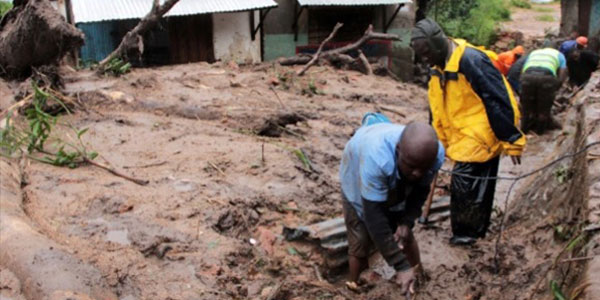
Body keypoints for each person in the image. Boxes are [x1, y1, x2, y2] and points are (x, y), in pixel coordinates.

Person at [410, 19, 526, 245]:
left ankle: (466, 236)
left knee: (464, 182)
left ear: (438, 44)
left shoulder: (471, 60)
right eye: (420, 55)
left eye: (426, 54)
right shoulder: (436, 65)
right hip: (459, 133)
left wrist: (511, 139)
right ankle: (475, 230)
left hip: (480, 133)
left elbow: (499, 99)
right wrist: (437, 139)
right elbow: (435, 105)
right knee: (475, 187)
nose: (425, 60)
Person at [339, 114, 444, 295]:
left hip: (392, 168)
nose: (418, 173)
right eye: (412, 166)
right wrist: (401, 266)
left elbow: (420, 191)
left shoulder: (433, 155)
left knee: (404, 234)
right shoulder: (377, 159)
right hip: (357, 171)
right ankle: (354, 286)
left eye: (423, 168)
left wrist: (406, 222)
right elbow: (374, 218)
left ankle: (417, 277)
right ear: (398, 151)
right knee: (361, 238)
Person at [520, 48, 567, 134]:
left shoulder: (534, 52)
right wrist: (555, 89)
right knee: (544, 109)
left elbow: (523, 69)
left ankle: (524, 131)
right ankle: (540, 133)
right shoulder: (560, 56)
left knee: (526, 109)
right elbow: (561, 76)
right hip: (546, 77)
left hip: (527, 76)